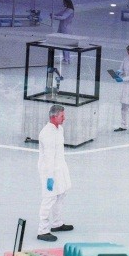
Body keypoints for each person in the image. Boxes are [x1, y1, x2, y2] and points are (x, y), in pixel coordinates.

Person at [37, 103, 73, 241]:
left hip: (60, 168)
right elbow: (48, 158)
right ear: (54, 117)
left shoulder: (59, 129)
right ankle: (42, 230)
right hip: (49, 171)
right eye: (62, 116)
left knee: (61, 194)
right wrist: (50, 177)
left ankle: (57, 223)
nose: (64, 118)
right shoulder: (46, 134)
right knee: (49, 198)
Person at [50, 0, 76, 66]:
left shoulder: (70, 10)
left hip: (66, 29)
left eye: (64, 2)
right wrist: (54, 15)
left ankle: (66, 59)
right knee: (63, 44)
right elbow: (59, 14)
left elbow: (63, 17)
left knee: (65, 44)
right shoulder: (66, 9)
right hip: (62, 28)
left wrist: (54, 17)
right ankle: (66, 58)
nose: (63, 4)